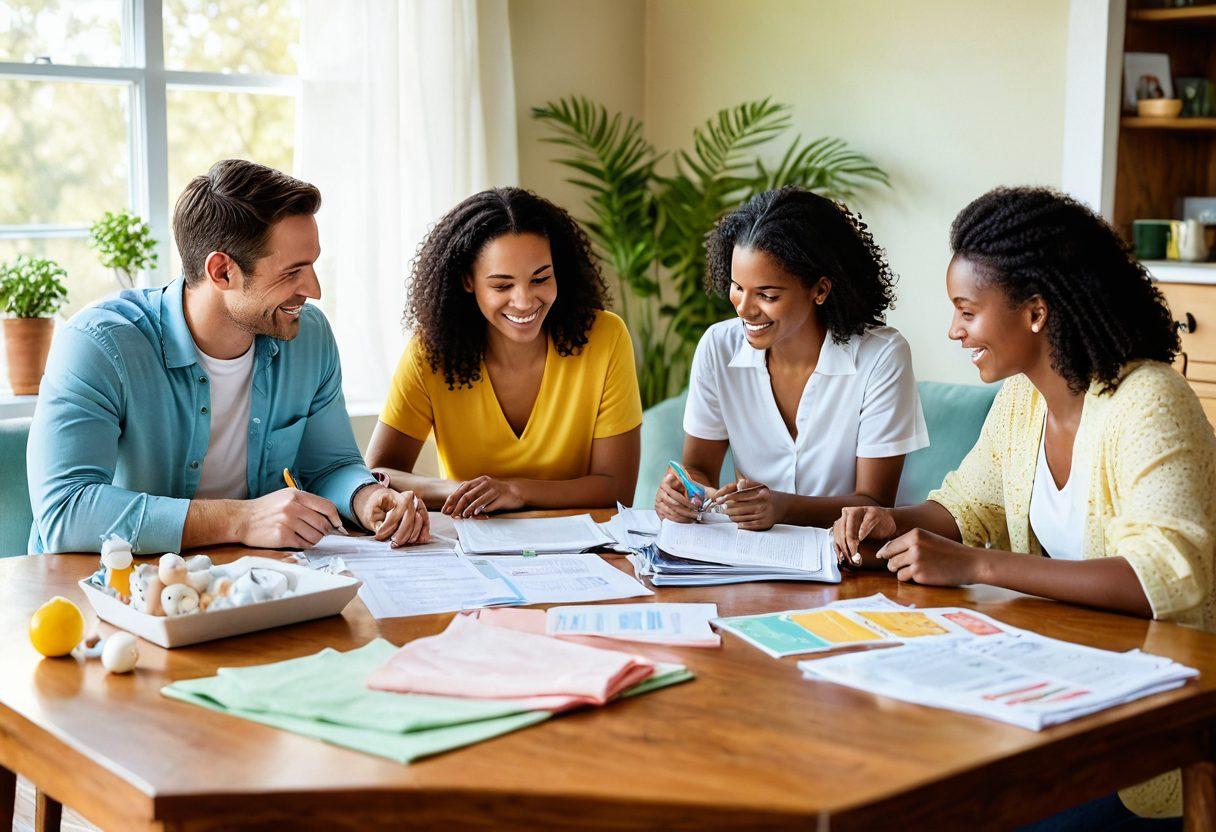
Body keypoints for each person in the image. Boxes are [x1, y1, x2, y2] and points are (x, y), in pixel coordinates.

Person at [833, 185, 1216, 826]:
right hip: (1061, 692)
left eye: (967, 311)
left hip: (1151, 729)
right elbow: (966, 509)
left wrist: (976, 567)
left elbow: (1160, 579)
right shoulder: (1023, 402)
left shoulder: (1150, 401)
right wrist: (888, 526)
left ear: (1036, 312)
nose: (954, 331)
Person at [27, 159, 428, 554]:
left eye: (313, 265)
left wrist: (365, 497)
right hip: (109, 590)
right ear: (222, 272)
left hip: (251, 583)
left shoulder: (309, 336)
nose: (314, 289)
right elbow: (66, 509)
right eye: (293, 272)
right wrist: (243, 519)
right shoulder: (99, 345)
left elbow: (330, 467)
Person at [654, 186, 928, 530]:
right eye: (738, 287)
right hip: (750, 556)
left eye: (767, 295)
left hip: (853, 560)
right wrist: (682, 491)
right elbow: (700, 470)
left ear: (820, 290)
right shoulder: (717, 347)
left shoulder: (882, 356)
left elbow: (874, 503)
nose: (744, 309)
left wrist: (782, 507)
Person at [365, 187, 642, 515]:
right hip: (470, 550)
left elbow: (616, 488)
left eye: (540, 279)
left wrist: (516, 490)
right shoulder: (431, 352)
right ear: (468, 280)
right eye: (502, 285)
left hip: (583, 553)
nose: (524, 301)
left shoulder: (605, 337)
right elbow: (376, 477)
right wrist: (462, 491)